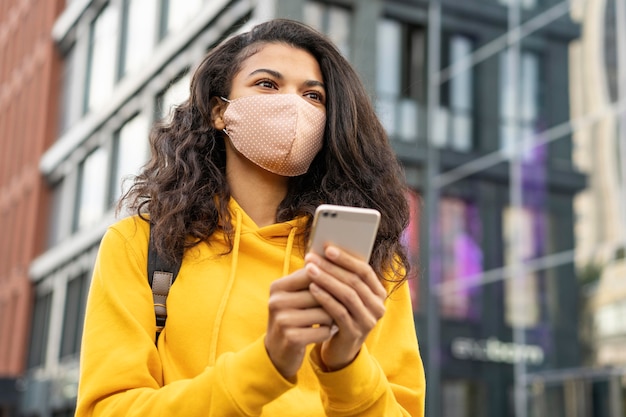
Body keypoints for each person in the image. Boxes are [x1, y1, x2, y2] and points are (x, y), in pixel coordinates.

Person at [75, 18, 425, 417]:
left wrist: (345, 364)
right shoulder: (141, 244)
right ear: (218, 111)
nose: (294, 106)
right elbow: (107, 409)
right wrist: (267, 363)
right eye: (267, 85)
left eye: (313, 96)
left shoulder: (371, 260)